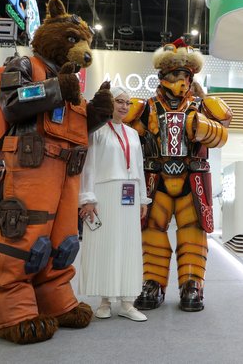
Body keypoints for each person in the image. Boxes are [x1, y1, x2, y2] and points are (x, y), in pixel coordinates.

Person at [0, 0, 114, 344]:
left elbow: (74, 128)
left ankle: (54, 299)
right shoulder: (24, 64)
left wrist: (97, 114)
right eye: (73, 40)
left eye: (85, 43)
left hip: (66, 171)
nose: (83, 51)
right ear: (51, 35)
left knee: (62, 242)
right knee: (25, 238)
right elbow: (11, 104)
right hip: (30, 166)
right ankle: (14, 309)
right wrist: (56, 89)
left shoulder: (67, 80)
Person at [124, 38, 232, 312]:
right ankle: (153, 282)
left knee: (193, 232)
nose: (179, 80)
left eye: (184, 74)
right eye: (173, 74)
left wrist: (203, 117)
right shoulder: (144, 106)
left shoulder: (202, 105)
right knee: (152, 232)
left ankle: (192, 284)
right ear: (161, 76)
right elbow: (123, 130)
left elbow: (223, 130)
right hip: (155, 179)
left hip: (191, 179)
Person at [78, 86, 151, 322]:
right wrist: (87, 198)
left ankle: (127, 303)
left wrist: (142, 196)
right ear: (110, 103)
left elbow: (139, 167)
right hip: (104, 193)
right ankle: (105, 301)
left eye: (127, 103)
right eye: (119, 101)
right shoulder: (97, 131)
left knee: (129, 246)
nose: (124, 106)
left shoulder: (133, 134)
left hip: (128, 196)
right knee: (105, 245)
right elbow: (87, 167)